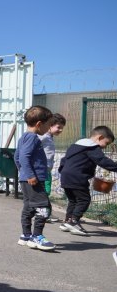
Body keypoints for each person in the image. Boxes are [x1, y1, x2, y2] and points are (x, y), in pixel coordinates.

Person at [58, 126, 117, 235]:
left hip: (66, 177)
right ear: (100, 137)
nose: (105, 147)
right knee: (84, 199)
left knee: (73, 200)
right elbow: (102, 161)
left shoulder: (75, 146)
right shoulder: (92, 148)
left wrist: (62, 171)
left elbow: (63, 159)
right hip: (77, 177)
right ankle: (73, 221)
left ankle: (67, 221)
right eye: (106, 143)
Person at [14, 105, 55, 250]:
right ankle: (36, 236)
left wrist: (23, 172)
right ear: (39, 124)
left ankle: (25, 235)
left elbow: (17, 157)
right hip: (34, 179)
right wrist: (30, 174)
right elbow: (24, 157)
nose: (49, 128)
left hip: (26, 178)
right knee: (44, 207)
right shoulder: (33, 138)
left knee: (29, 207)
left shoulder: (23, 137)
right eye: (48, 125)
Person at [38, 113, 66, 221]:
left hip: (47, 170)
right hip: (42, 170)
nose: (61, 130)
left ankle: (46, 213)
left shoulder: (49, 137)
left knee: (46, 191)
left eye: (62, 128)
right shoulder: (44, 136)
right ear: (50, 125)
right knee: (45, 191)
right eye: (58, 127)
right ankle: (43, 214)